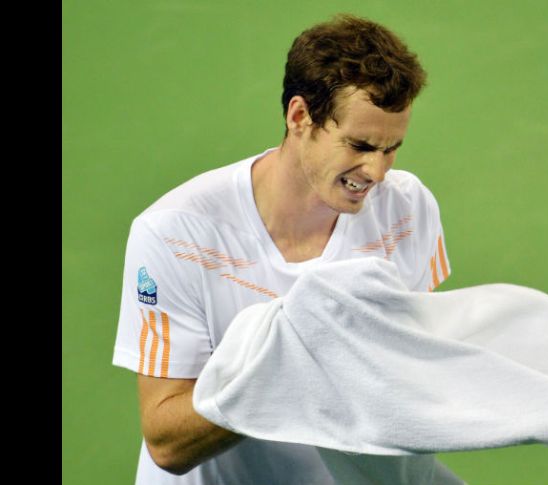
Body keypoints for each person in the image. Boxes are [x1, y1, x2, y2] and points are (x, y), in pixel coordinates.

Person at [113, 14, 453, 484]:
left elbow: (409, 371)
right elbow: (167, 443)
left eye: (392, 148)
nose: (376, 171)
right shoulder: (176, 233)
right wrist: (287, 361)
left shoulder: (407, 208)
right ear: (299, 117)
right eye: (359, 144)